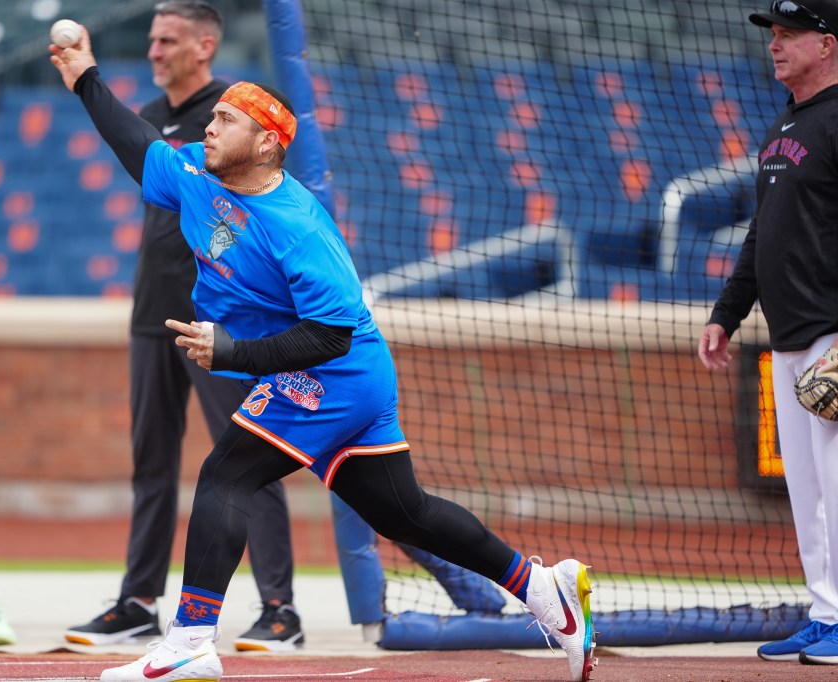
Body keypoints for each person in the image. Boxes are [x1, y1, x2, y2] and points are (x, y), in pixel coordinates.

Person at [48, 25, 596, 682]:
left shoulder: (298, 224)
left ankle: (192, 639)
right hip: (334, 376)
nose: (211, 126)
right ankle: (539, 587)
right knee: (405, 512)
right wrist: (85, 75)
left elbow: (331, 335)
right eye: (214, 117)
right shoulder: (196, 169)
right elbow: (139, 147)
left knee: (227, 474)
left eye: (227, 119)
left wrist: (234, 352)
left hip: (335, 372)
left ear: (268, 143)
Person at [62, 1, 303, 652]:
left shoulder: (235, 115)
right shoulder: (147, 118)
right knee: (152, 463)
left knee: (248, 455)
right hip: (153, 313)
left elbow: (265, 201)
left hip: (223, 319)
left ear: (205, 45)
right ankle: (139, 601)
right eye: (151, 39)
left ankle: (280, 609)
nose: (154, 50)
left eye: (167, 39)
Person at [699, 0, 838, 667]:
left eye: (789, 34)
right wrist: (728, 312)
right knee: (808, 488)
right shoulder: (783, 125)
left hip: (831, 335)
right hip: (787, 336)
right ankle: (826, 611)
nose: (776, 45)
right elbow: (764, 232)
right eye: (773, 35)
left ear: (828, 44)